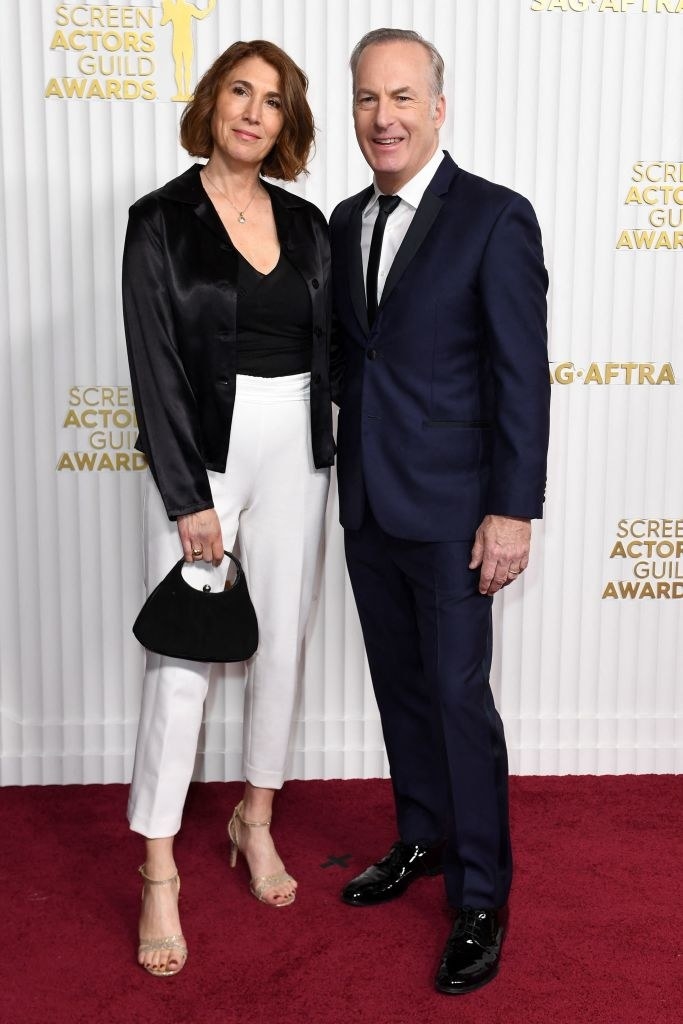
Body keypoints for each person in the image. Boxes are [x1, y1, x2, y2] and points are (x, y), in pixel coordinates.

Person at [329, 28, 550, 995]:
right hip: (370, 505)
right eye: (369, 100)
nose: (385, 118)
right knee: (401, 688)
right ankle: (419, 836)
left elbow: (521, 379)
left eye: (403, 98)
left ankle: (479, 896)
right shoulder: (343, 220)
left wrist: (511, 511)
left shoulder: (495, 219)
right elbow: (352, 361)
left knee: (459, 699)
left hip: (459, 513)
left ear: (438, 108)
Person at [122, 39, 334, 976]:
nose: (254, 111)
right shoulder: (158, 220)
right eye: (240, 93)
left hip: (299, 440)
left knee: (282, 636)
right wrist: (184, 494)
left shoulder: (308, 220)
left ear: (287, 123)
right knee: (186, 658)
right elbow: (154, 361)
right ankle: (159, 868)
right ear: (211, 104)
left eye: (274, 100)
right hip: (206, 445)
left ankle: (255, 818)